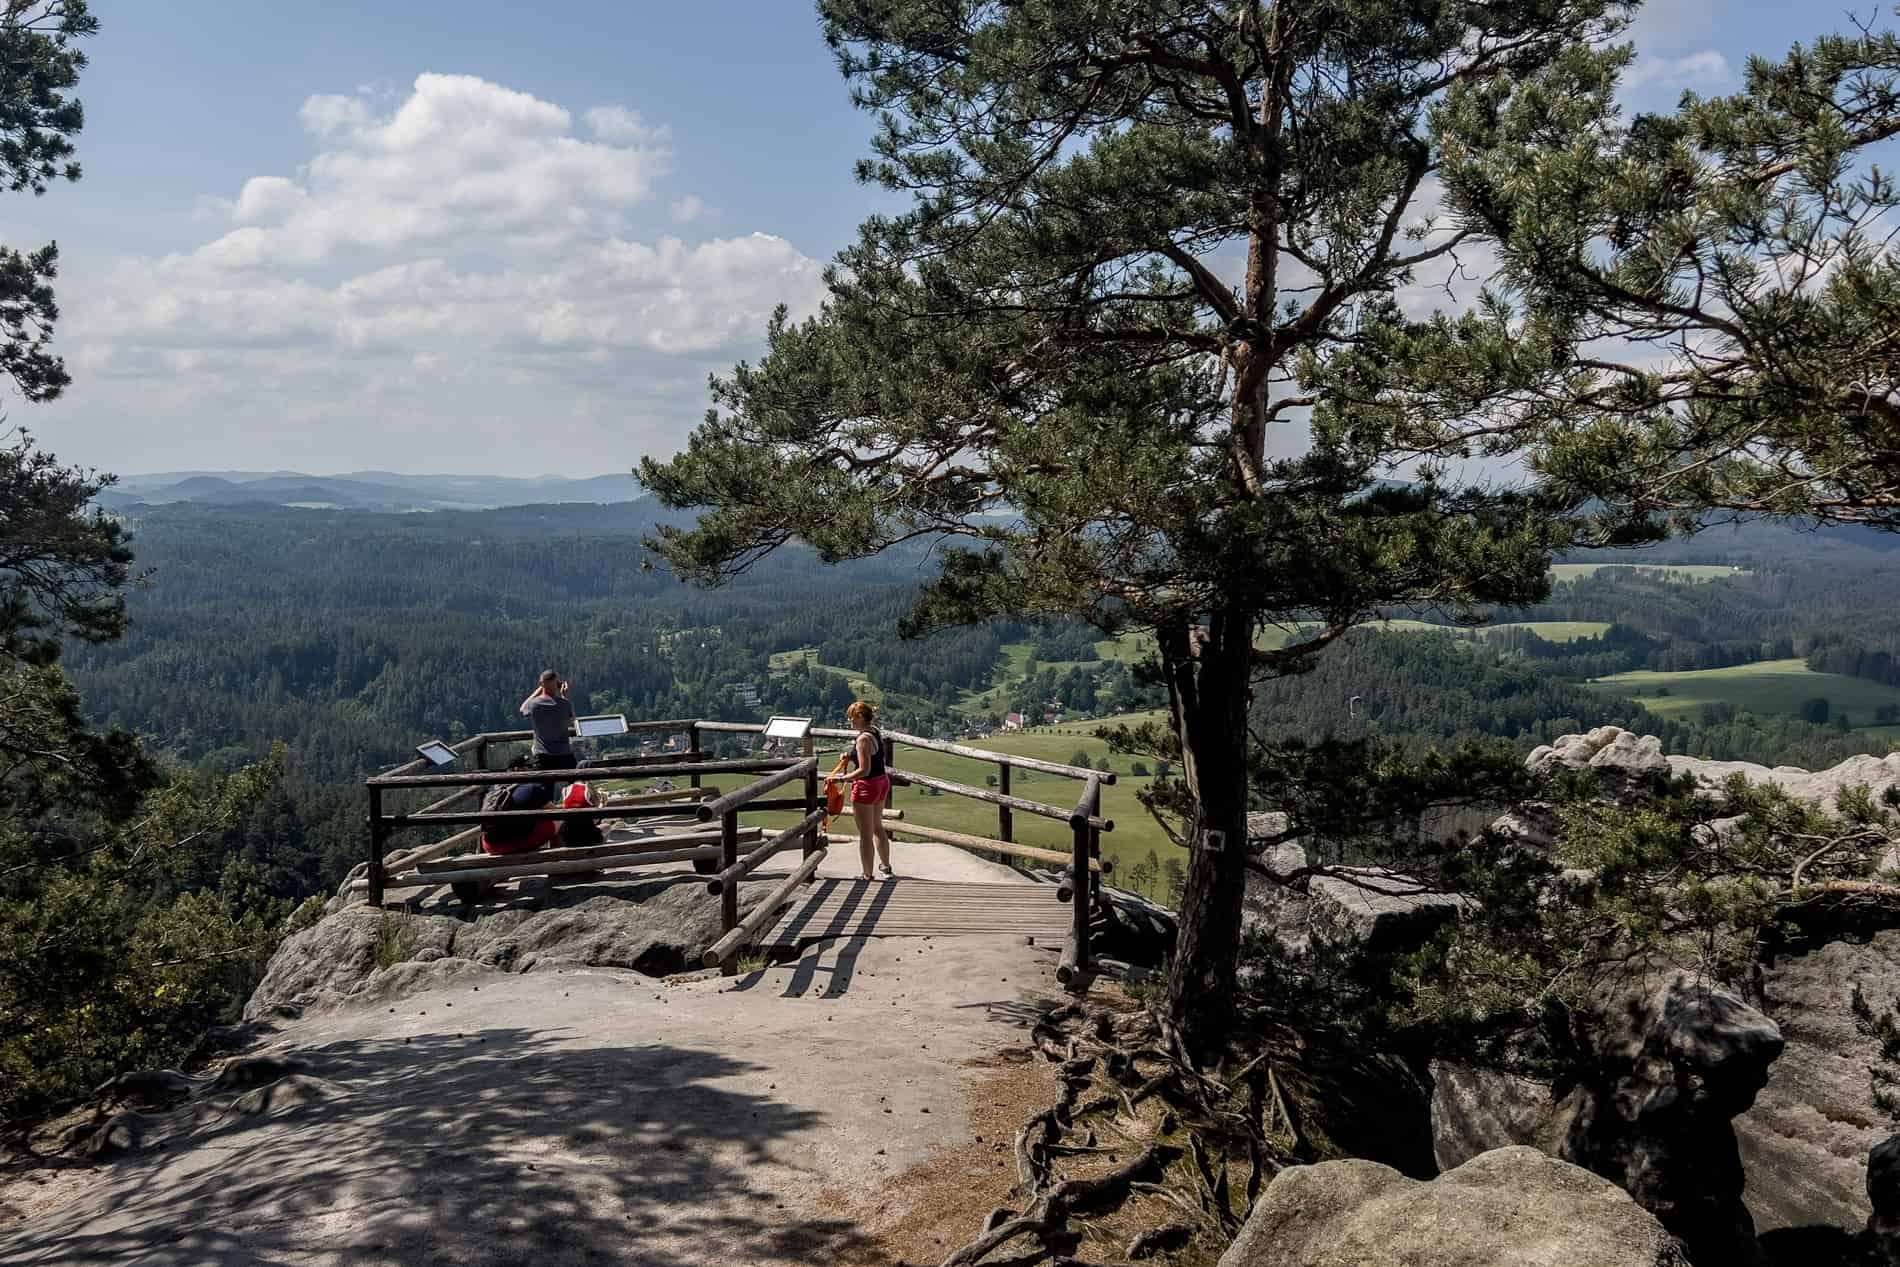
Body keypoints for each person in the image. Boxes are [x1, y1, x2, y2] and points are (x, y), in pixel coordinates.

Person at [830, 699, 895, 880]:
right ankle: (886, 866)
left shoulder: (862, 739)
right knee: (877, 827)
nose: (849, 721)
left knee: (865, 834)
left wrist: (843, 778)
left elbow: (864, 769)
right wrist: (850, 756)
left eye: (851, 718)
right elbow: (871, 759)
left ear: (859, 717)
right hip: (881, 782)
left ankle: (867, 874)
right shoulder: (874, 732)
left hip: (866, 786)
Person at [479, 758, 561, 855]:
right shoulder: (533, 788)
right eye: (530, 767)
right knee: (559, 821)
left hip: (489, 845)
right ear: (518, 769)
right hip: (513, 844)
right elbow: (556, 813)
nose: (535, 770)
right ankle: (558, 857)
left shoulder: (494, 788)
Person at [519, 669, 576, 771]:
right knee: (574, 782)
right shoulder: (564, 704)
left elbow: (522, 709)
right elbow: (571, 720)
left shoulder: (533, 704)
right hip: (564, 754)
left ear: (541, 684)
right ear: (557, 684)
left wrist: (538, 691)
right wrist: (565, 696)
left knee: (545, 786)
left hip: (542, 755)